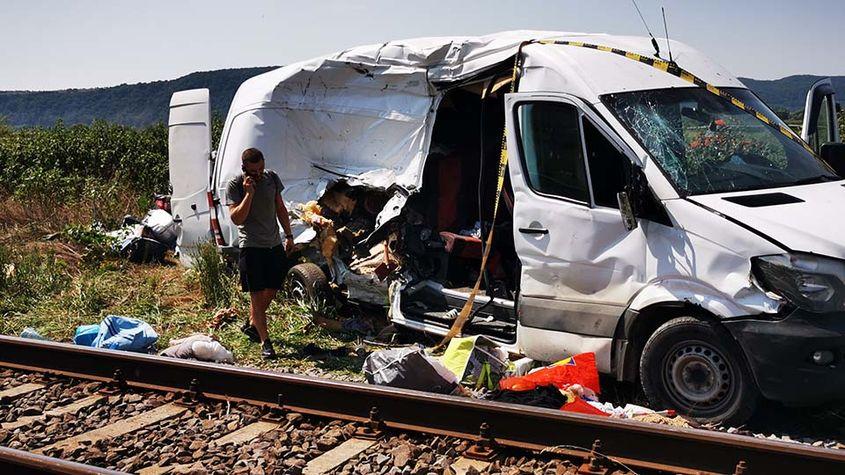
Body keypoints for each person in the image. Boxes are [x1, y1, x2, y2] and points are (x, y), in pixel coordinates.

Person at [226, 147, 294, 358]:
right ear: (244, 168)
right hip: (251, 246)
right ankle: (266, 342)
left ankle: (252, 322)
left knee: (273, 288)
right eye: (254, 171)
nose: (259, 174)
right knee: (256, 295)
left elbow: (280, 208)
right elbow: (237, 218)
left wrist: (289, 235)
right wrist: (248, 195)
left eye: (261, 169)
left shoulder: (272, 178)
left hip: (273, 244)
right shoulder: (236, 185)